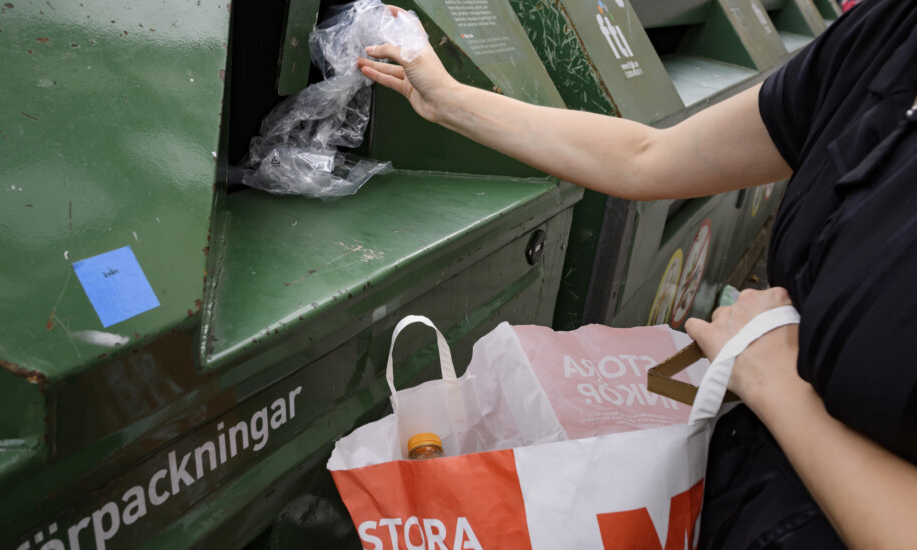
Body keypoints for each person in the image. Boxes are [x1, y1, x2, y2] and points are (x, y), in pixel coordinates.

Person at [358, 0, 917, 547]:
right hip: (735, 496)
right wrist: (448, 99)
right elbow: (648, 156)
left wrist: (775, 381)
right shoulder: (889, 33)